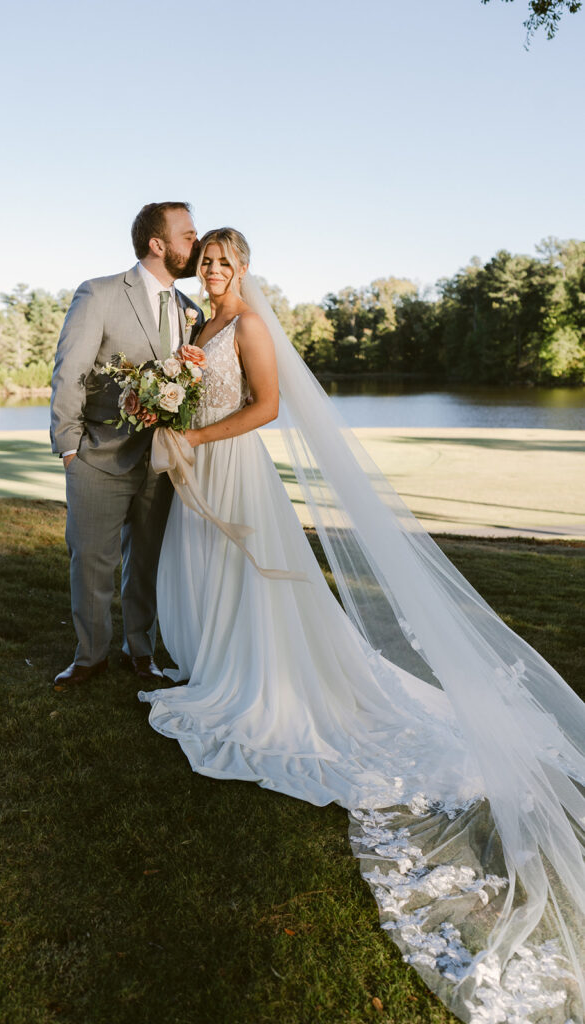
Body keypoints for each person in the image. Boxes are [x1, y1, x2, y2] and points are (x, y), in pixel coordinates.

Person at [139, 228, 585, 1023]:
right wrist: (166, 410)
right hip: (196, 470)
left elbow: (268, 407)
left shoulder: (247, 326)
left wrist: (196, 435)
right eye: (203, 259)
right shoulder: (197, 327)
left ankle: (258, 677)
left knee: (248, 581)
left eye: (223, 262)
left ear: (244, 270)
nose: (210, 270)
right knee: (201, 576)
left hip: (233, 471)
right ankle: (210, 662)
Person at [49, 202, 204, 688]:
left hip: (161, 463)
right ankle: (90, 656)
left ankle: (142, 652)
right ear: (158, 244)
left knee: (148, 562)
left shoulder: (191, 311)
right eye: (189, 235)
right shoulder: (99, 293)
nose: (197, 245)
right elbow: (69, 372)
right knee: (91, 561)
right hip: (99, 453)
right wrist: (70, 446)